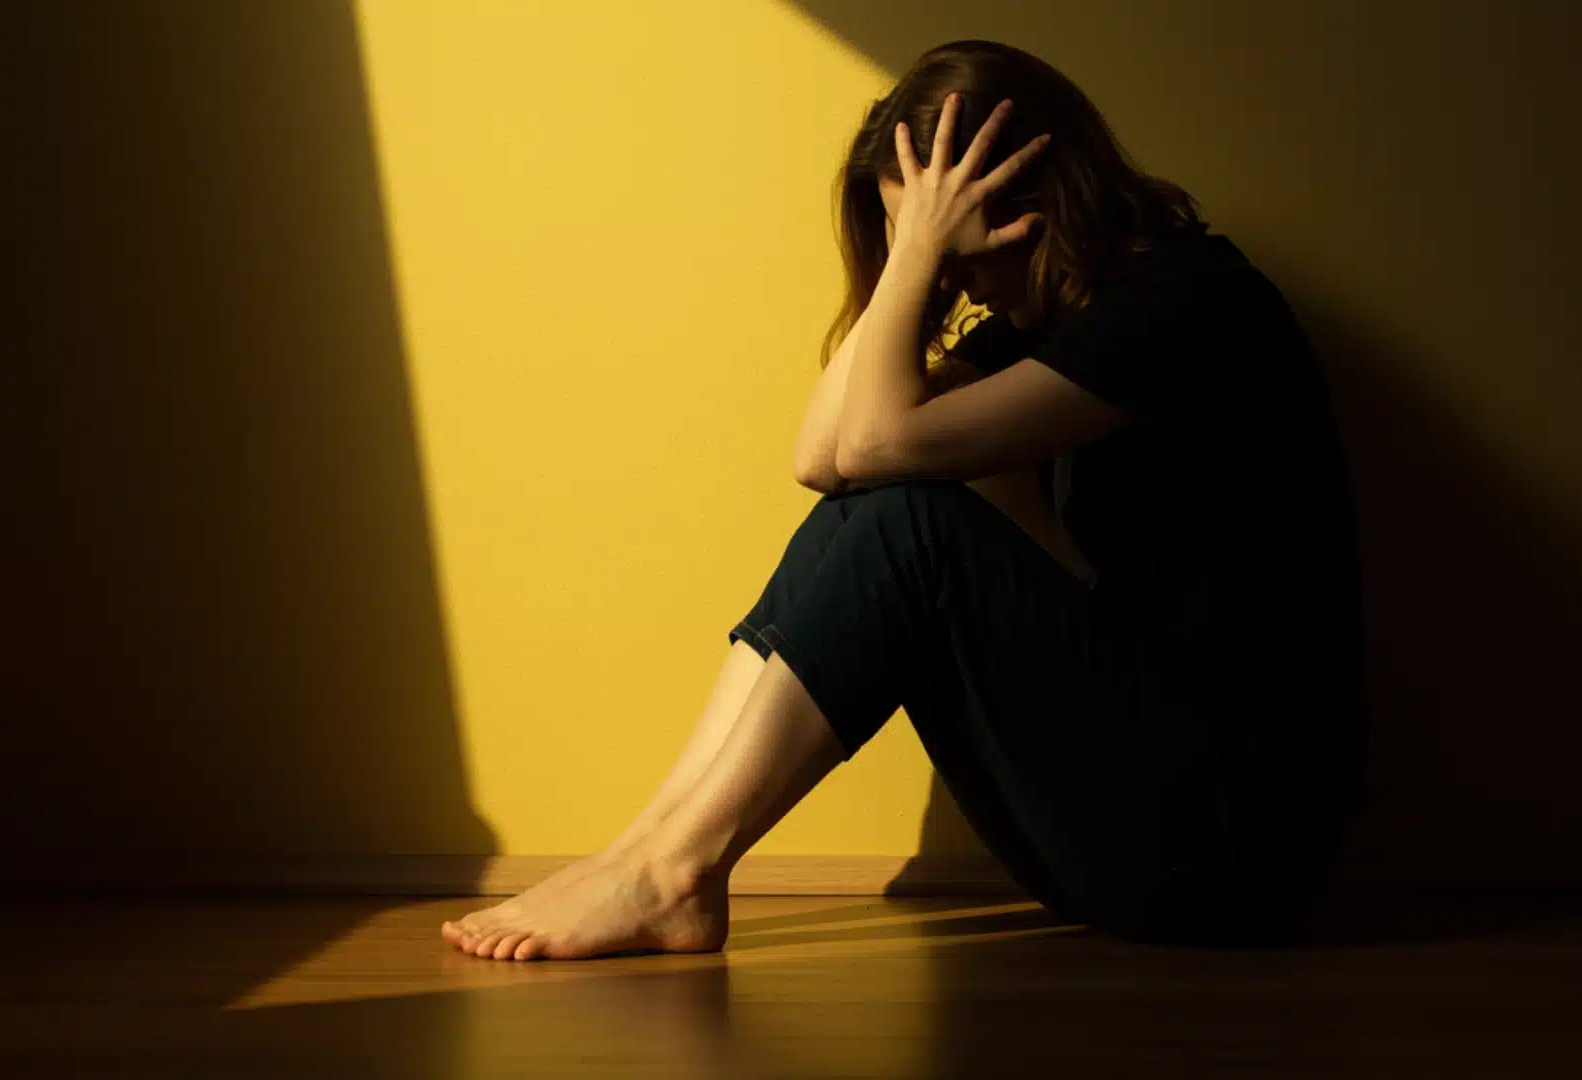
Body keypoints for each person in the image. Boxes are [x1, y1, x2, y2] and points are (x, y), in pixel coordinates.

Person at [442, 39, 1369, 960]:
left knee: (910, 520)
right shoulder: (1056, 327)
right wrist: (909, 258)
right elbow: (824, 457)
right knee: (860, 508)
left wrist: (921, 252)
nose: (952, 282)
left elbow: (879, 442)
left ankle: (674, 872)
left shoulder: (1192, 304)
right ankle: (648, 853)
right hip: (1139, 834)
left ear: (1036, 209)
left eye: (951, 248)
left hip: (1227, 851)